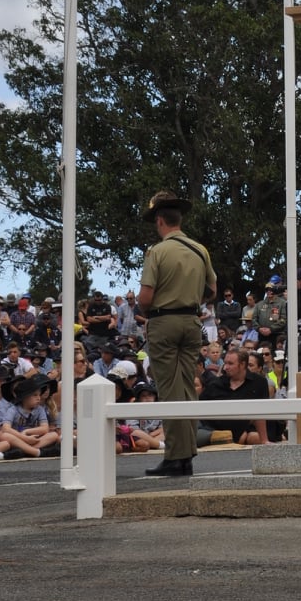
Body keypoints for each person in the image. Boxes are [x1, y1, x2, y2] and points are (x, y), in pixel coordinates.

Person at [136, 190, 215, 478]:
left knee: (170, 391)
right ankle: (186, 455)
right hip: (191, 322)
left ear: (159, 221)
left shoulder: (157, 252)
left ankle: (175, 456)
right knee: (187, 389)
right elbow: (212, 290)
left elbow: (145, 298)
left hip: (164, 323)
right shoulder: (199, 250)